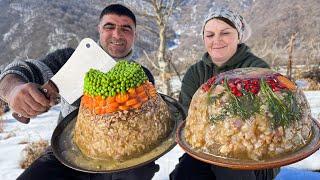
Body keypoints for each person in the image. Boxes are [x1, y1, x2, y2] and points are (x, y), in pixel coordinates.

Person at [0, 4, 159, 180]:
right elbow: (27, 70)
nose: (117, 34)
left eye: (126, 28)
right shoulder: (71, 59)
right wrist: (13, 89)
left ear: (135, 35)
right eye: (109, 26)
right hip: (65, 152)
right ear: (99, 29)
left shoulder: (141, 76)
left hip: (122, 158)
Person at [170, 7, 280, 180]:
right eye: (210, 35)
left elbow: (268, 120)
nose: (217, 40)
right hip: (205, 149)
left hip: (256, 154)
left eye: (225, 33)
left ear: (238, 35)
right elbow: (187, 118)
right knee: (184, 174)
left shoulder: (257, 70)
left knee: (229, 172)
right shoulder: (196, 73)